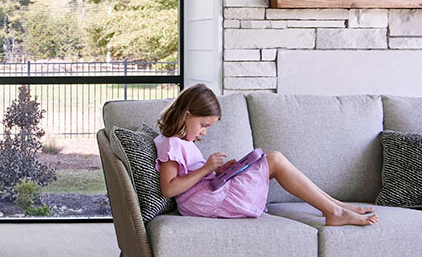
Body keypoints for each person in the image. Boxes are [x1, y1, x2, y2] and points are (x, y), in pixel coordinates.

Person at [154, 84, 378, 226]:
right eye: (203, 125)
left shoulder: (183, 142)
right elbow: (169, 188)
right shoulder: (171, 144)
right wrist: (206, 169)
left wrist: (220, 171)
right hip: (203, 202)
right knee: (275, 160)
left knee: (270, 160)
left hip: (208, 193)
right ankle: (334, 211)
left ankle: (335, 206)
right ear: (186, 115)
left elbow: (192, 176)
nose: (204, 132)